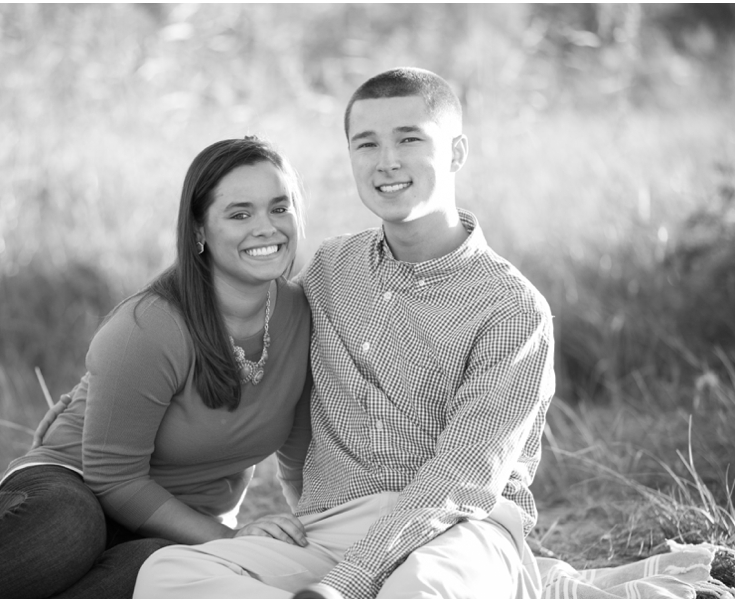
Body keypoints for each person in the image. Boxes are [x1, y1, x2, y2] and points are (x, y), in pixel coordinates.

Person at [134, 67, 555, 599]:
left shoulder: (511, 308)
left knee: (418, 590)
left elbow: (462, 475)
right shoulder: (333, 268)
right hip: (333, 525)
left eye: (409, 139)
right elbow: (254, 352)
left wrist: (342, 588)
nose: (387, 162)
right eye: (367, 144)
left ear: (455, 153)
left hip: (460, 527)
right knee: (169, 574)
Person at [0, 136, 314, 598]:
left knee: (153, 569)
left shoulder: (305, 314)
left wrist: (312, 540)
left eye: (279, 208)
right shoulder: (151, 326)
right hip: (72, 490)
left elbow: (301, 459)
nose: (267, 227)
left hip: (176, 526)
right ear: (199, 231)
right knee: (69, 529)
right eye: (240, 214)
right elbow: (114, 478)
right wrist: (227, 540)